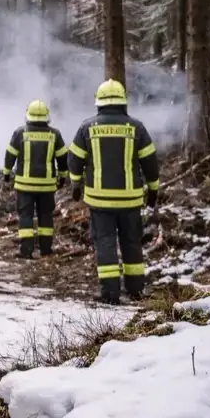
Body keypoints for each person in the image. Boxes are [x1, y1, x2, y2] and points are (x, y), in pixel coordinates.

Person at [68, 79, 160, 305]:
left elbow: (74, 159)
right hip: (130, 200)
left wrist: (76, 185)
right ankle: (136, 289)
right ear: (123, 102)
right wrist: (153, 190)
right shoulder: (136, 128)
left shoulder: (87, 128)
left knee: (106, 243)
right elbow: (150, 162)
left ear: (98, 102)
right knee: (131, 242)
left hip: (100, 200)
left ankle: (110, 293)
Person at [3, 100, 69, 258]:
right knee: (45, 216)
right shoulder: (55, 134)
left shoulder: (20, 133)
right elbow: (62, 159)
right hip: (46, 186)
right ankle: (46, 249)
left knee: (25, 216)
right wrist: (62, 177)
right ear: (47, 116)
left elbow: (10, 155)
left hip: (25, 186)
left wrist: (6, 174)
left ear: (28, 115)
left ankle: (26, 250)